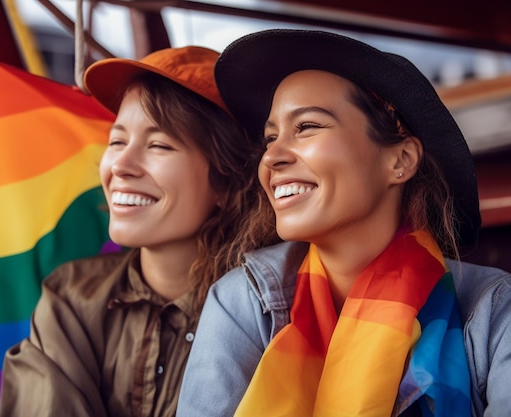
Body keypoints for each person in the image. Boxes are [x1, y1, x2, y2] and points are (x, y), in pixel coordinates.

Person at [177, 30, 511, 417]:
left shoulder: (493, 311)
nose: (272, 158)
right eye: (270, 138)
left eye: (307, 127)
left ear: (400, 160)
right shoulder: (244, 303)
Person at [0, 46, 279, 417]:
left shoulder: (270, 313)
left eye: (159, 144)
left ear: (227, 182)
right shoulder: (71, 299)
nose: (121, 166)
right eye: (117, 140)